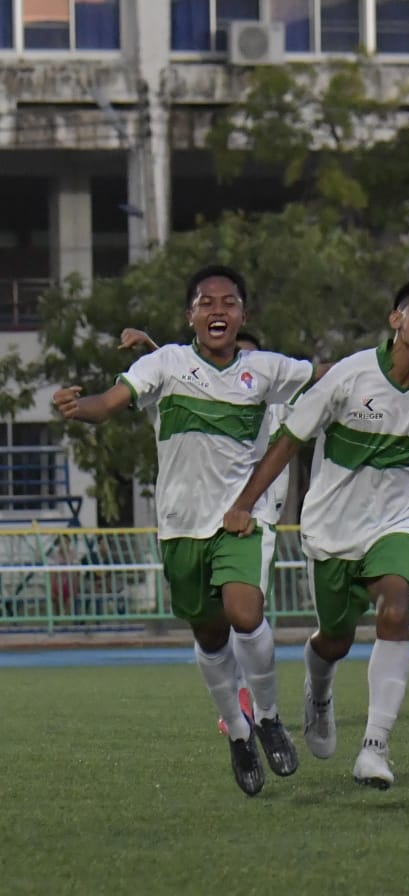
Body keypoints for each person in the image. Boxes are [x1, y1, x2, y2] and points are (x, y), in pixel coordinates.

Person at [53, 265, 316, 796]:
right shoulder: (166, 364)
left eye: (229, 302)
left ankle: (267, 717)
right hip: (179, 526)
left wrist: (385, 363)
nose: (218, 310)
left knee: (245, 612)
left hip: (242, 518)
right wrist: (77, 407)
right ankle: (238, 734)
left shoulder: (266, 369)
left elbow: (327, 373)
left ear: (243, 315)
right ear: (190, 315)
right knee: (210, 634)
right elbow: (109, 402)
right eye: (206, 302)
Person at [224, 278, 409, 790]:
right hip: (331, 527)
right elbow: (288, 441)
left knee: (395, 608)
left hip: (396, 521)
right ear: (396, 320)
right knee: (335, 638)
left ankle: (375, 747)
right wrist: (244, 503)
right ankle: (320, 692)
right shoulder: (348, 377)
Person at [119, 326, 287, 736]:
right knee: (215, 623)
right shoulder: (201, 383)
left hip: (256, 513)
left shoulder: (274, 398)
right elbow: (195, 379)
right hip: (194, 520)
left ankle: (257, 705)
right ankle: (236, 706)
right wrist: (151, 347)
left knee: (246, 612)